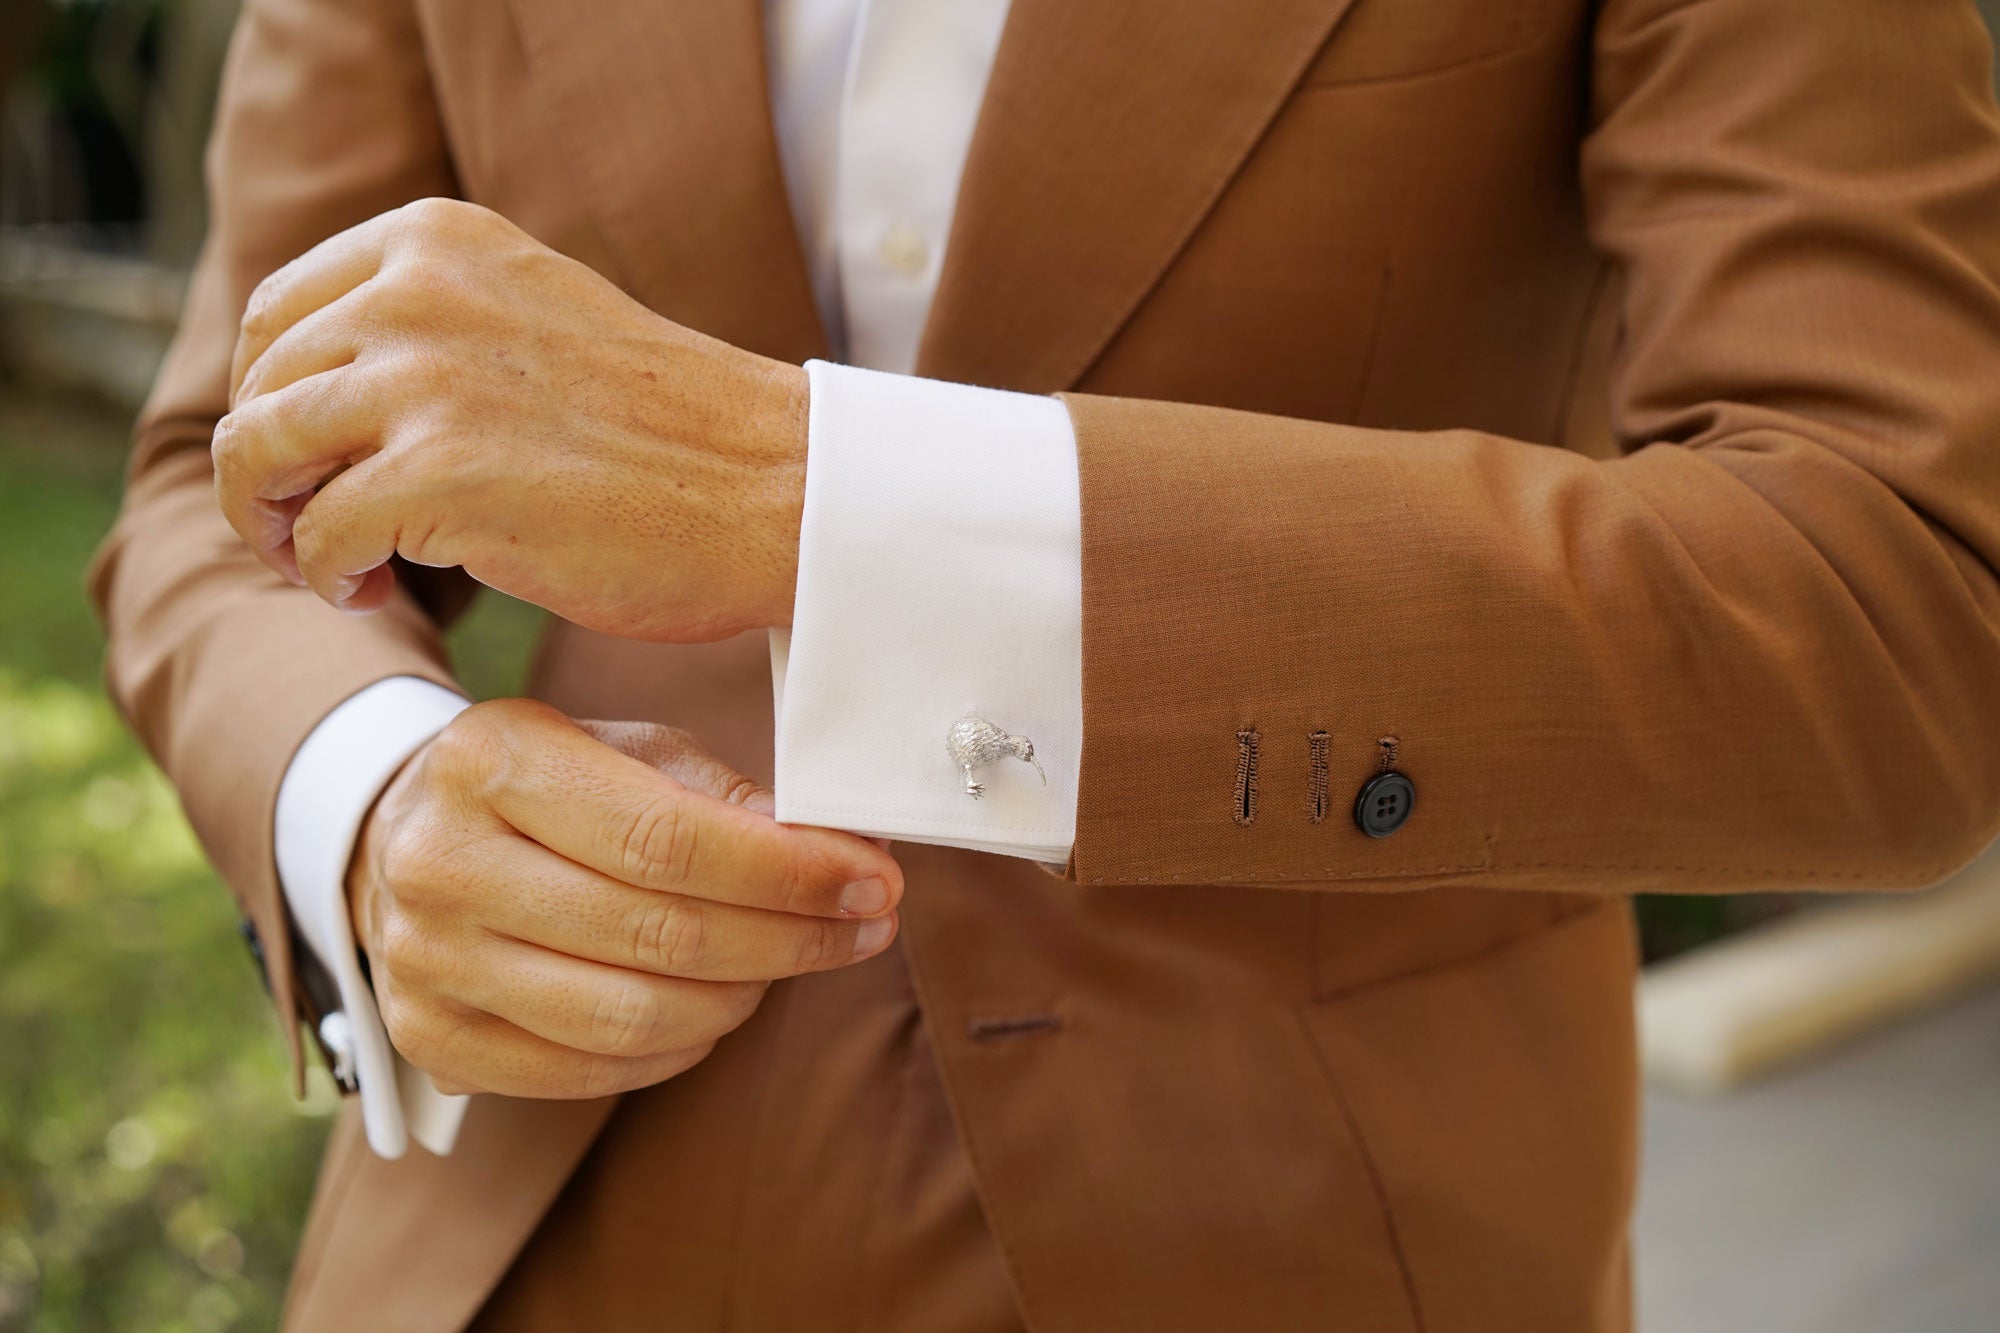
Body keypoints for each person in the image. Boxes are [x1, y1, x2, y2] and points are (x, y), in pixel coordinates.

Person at [90, 0, 2000, 1328]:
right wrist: (367, 790)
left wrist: (807, 492)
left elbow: (1898, 602)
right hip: (523, 1230)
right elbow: (217, 469)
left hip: (1307, 1240)